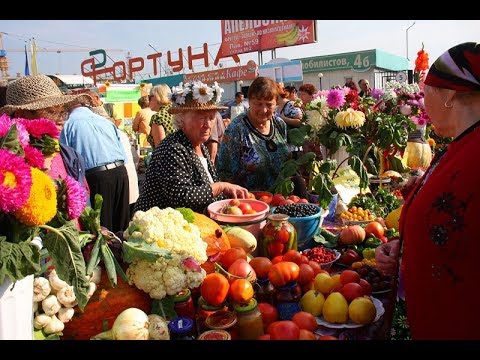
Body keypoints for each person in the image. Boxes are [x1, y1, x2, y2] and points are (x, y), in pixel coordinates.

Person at [376, 42, 480, 340]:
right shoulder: (457, 145)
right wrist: (404, 247)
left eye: (426, 93)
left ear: (448, 96)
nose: (422, 102)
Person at [134, 81, 249, 214]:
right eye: (201, 118)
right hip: (161, 225)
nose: (208, 124)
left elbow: (208, 186)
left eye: (211, 118)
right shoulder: (173, 148)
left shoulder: (200, 146)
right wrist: (221, 186)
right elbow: (181, 197)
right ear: (182, 119)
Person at [0, 74, 93, 210]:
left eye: (62, 112)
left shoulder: (71, 156)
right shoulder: (7, 161)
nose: (61, 120)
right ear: (21, 115)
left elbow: (85, 205)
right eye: (51, 112)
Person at [60, 91, 130, 233]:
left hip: (96, 176)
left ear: (68, 108)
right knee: (122, 226)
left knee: (102, 228)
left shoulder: (69, 125)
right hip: (121, 172)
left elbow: (67, 160)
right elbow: (123, 153)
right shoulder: (105, 121)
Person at [217, 77, 290, 191]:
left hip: (280, 199)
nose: (264, 109)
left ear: (276, 104)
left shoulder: (280, 125)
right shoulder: (236, 130)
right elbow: (225, 174)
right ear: (249, 101)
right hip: (249, 203)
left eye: (269, 104)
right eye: (258, 104)